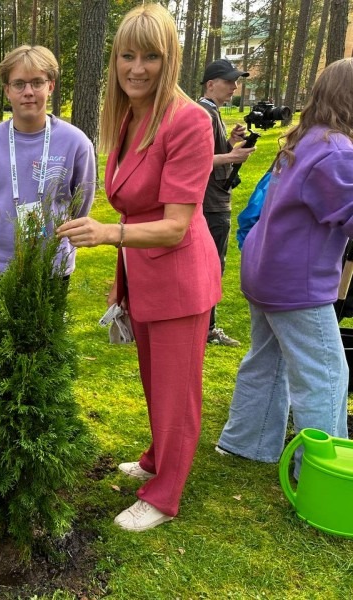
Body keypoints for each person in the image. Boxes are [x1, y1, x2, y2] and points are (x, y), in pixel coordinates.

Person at [57, 4, 219, 531]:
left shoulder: (189, 120)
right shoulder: (128, 114)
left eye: (151, 56)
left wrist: (108, 234)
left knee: (177, 390)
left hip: (178, 276)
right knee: (154, 380)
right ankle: (156, 457)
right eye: (128, 55)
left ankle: (165, 495)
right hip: (142, 271)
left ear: (170, 58)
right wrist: (122, 275)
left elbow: (175, 224)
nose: (137, 68)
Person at [215, 57, 353, 475]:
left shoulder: (307, 138)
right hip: (296, 283)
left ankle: (245, 443)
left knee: (267, 359)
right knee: (326, 373)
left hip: (266, 272)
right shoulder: (337, 151)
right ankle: (318, 472)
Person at [0, 45, 95, 298]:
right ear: (7, 90)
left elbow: (81, 203)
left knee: (47, 338)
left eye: (37, 82)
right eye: (18, 84)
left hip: (52, 265)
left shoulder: (76, 143)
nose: (28, 92)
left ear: (51, 86)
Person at [198, 59, 255, 347]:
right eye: (229, 81)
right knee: (211, 266)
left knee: (211, 265)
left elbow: (211, 153)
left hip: (215, 199)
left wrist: (230, 143)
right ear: (211, 84)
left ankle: (204, 327)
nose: (235, 86)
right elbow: (194, 161)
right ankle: (206, 329)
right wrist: (232, 157)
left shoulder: (212, 113)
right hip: (210, 203)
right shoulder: (203, 114)